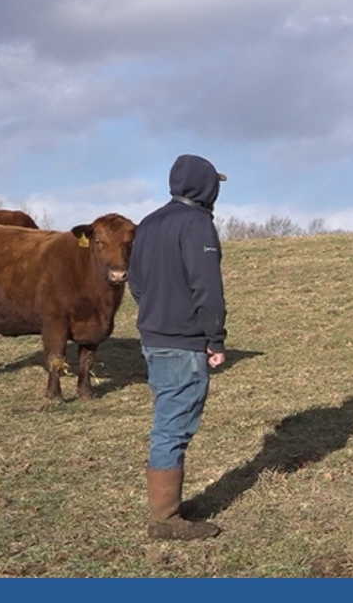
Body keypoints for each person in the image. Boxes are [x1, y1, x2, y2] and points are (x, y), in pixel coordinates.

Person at [128, 154, 228, 541]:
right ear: (207, 187)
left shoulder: (150, 223)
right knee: (172, 425)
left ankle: (167, 508)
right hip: (184, 344)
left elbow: (136, 283)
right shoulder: (198, 225)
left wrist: (157, 315)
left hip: (153, 338)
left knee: (167, 418)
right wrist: (214, 337)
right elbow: (207, 288)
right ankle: (165, 519)